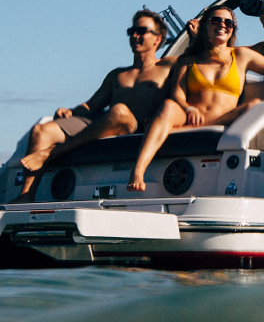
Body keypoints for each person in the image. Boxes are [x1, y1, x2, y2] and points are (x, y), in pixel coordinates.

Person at [127, 7, 264, 192]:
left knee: (253, 107)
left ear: (232, 29)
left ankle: (164, 128)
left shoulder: (241, 56)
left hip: (223, 118)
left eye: (228, 22)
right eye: (216, 21)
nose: (222, 25)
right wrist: (188, 108)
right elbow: (178, 94)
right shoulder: (188, 60)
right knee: (168, 106)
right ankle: (138, 170)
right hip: (190, 116)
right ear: (205, 26)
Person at [13, 10, 176, 203]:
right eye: (132, 31)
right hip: (106, 124)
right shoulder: (117, 75)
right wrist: (72, 112)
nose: (134, 36)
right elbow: (92, 106)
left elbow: (199, 57)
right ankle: (26, 195)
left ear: (158, 39)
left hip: (137, 127)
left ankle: (51, 152)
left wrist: (194, 34)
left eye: (141, 31)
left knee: (119, 111)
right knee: (41, 130)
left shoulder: (168, 66)